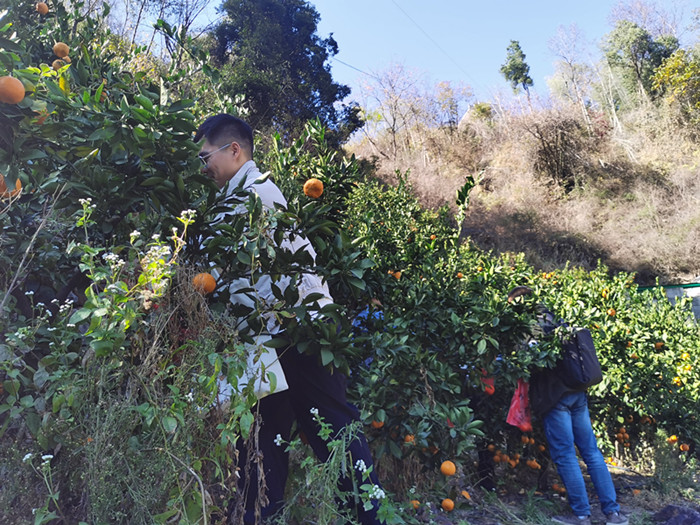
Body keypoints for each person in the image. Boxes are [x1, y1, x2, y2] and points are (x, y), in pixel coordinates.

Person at [194, 114, 383, 525]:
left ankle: (368, 517)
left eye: (205, 157)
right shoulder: (238, 195)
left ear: (234, 150)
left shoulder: (255, 193)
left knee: (333, 432)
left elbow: (215, 268)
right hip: (267, 337)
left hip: (301, 331)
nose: (203, 167)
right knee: (262, 441)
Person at [507, 286, 628, 525]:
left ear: (519, 304)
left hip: (555, 398)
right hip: (577, 393)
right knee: (591, 452)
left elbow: (522, 362)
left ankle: (581, 515)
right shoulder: (556, 316)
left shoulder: (527, 328)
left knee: (565, 455)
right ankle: (613, 513)